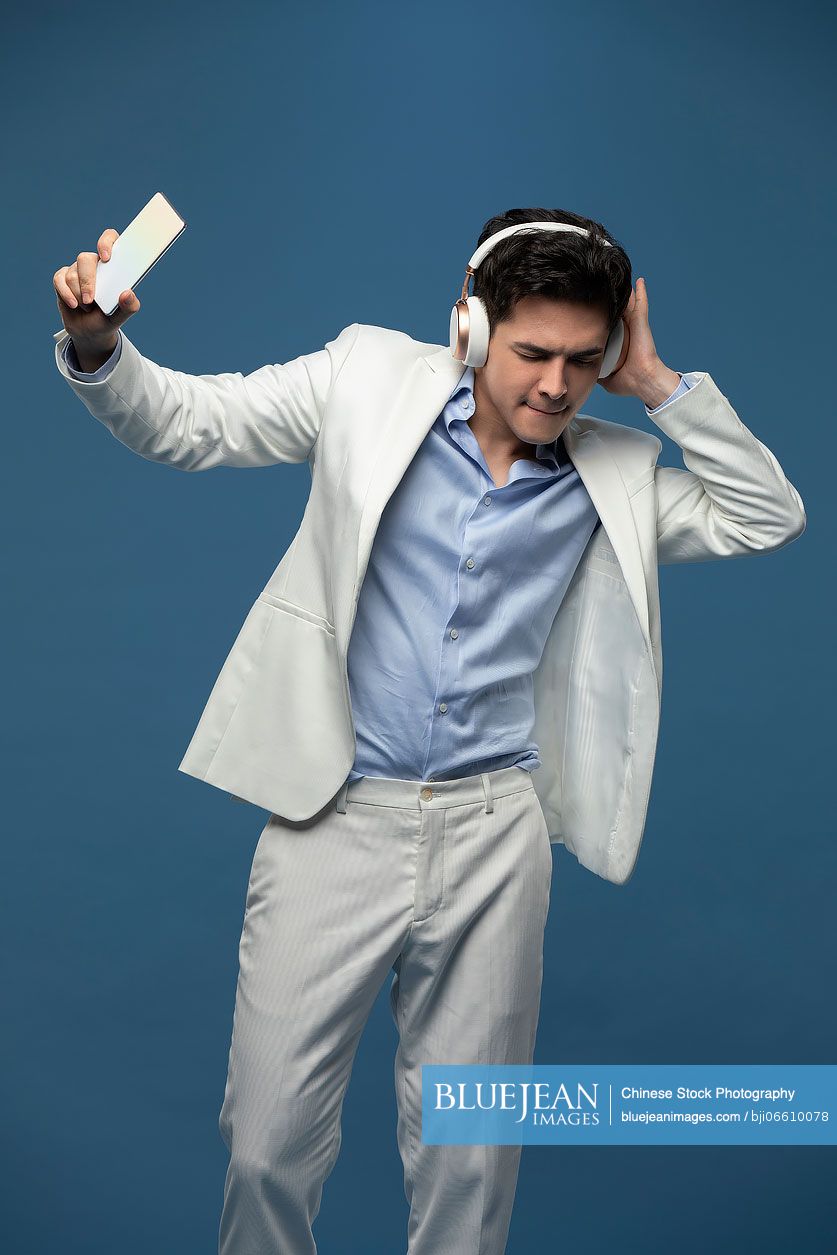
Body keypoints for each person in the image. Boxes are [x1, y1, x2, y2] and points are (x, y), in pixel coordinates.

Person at [51, 206, 806, 1253]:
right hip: (334, 814)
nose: (554, 384)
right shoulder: (364, 380)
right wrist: (98, 344)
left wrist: (656, 386)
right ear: (473, 325)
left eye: (584, 361)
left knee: (470, 1157)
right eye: (534, 352)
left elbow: (766, 512)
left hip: (497, 831)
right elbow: (187, 422)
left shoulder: (613, 475)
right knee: (268, 1143)